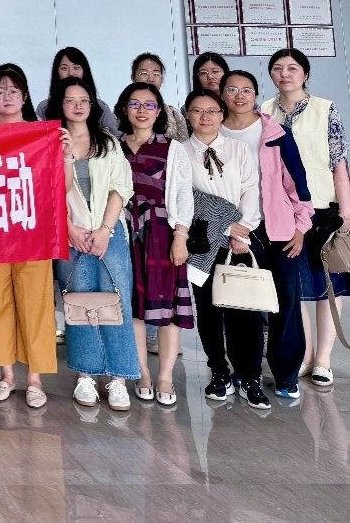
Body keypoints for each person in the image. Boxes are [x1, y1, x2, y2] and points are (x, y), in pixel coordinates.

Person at [221, 69, 313, 399]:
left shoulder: (275, 132)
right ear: (223, 94)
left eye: (246, 89)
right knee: (241, 303)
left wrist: (301, 227)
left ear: (256, 95)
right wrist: (226, 227)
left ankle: (286, 375)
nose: (239, 95)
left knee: (285, 302)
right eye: (232, 89)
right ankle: (246, 372)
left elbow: (298, 183)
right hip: (239, 229)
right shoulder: (214, 132)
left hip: (280, 228)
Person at [261, 48, 350, 390]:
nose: (284, 74)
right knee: (294, 288)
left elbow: (339, 163)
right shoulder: (264, 111)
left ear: (305, 74)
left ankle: (323, 360)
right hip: (284, 214)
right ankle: (306, 355)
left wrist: (345, 213)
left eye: (292, 68)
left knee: (329, 285)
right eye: (278, 68)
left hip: (325, 210)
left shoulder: (325, 109)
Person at [52, 77, 139, 411]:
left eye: (84, 100)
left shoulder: (108, 143)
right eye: (70, 100)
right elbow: (50, 192)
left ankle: (118, 378)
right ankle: (85, 375)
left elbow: (121, 187)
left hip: (109, 233)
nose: (78, 106)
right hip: (70, 235)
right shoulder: (53, 142)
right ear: (60, 105)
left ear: (92, 104)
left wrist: (104, 229)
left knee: (117, 302)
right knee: (78, 304)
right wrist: (68, 229)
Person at [0, 65, 57, 408]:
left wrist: (64, 154)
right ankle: (6, 374)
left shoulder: (42, 133)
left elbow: (57, 184)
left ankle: (34, 379)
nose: (6, 96)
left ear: (24, 95)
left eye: (13, 90)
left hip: (33, 230)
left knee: (35, 302)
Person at [183, 88, 269, 408]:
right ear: (188, 115)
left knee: (244, 310)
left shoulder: (238, 149)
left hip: (240, 240)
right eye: (197, 110)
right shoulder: (179, 152)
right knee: (208, 310)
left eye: (212, 111)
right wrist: (223, 225)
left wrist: (241, 231)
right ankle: (219, 371)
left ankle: (249, 376)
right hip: (201, 241)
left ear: (222, 115)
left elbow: (251, 190)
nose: (205, 116)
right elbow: (182, 197)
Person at [114, 82, 194, 406]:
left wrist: (181, 236)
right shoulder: (113, 147)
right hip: (124, 233)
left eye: (149, 105)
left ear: (159, 111)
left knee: (168, 310)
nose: (142, 110)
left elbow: (183, 194)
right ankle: (143, 373)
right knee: (133, 308)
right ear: (124, 109)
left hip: (162, 234)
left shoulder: (172, 148)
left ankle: (165, 377)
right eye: (135, 104)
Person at [36, 47, 119, 135]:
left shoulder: (100, 106)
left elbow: (117, 136)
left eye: (76, 67)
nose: (71, 73)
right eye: (64, 68)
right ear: (57, 72)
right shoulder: (44, 107)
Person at [130, 53, 188, 141]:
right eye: (144, 73)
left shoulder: (174, 114)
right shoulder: (123, 112)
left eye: (156, 74)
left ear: (162, 79)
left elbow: (184, 145)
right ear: (133, 77)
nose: (151, 78)